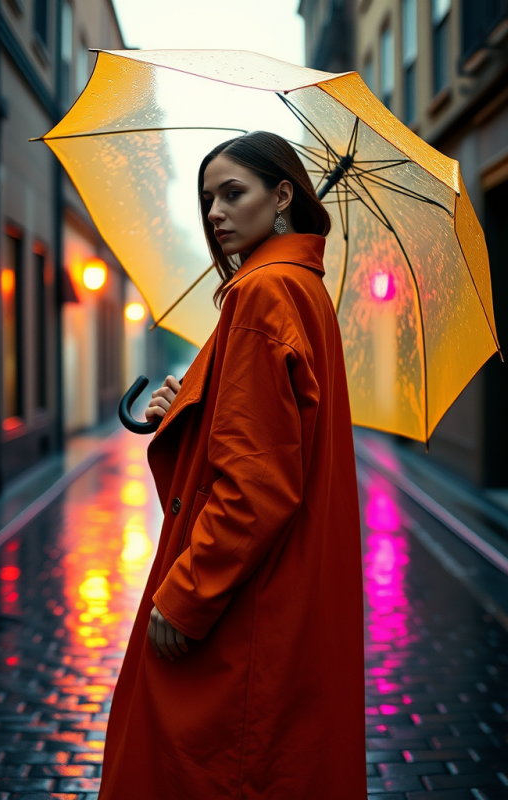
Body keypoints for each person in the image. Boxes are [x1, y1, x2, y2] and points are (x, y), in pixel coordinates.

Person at [98, 131, 366, 799]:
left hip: (247, 606)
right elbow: (267, 439)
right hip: (287, 594)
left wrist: (187, 594)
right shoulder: (302, 288)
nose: (215, 212)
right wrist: (189, 414)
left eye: (232, 193)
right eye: (208, 198)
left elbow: (256, 482)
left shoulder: (263, 294)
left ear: (282, 195)